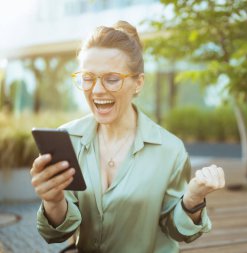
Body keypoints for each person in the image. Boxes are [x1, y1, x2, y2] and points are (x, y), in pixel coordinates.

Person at [29, 21, 225, 253]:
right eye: (88, 78)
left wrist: (192, 201)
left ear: (138, 83)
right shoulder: (67, 139)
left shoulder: (170, 150)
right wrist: (52, 200)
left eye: (112, 78)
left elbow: (176, 230)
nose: (98, 90)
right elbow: (58, 233)